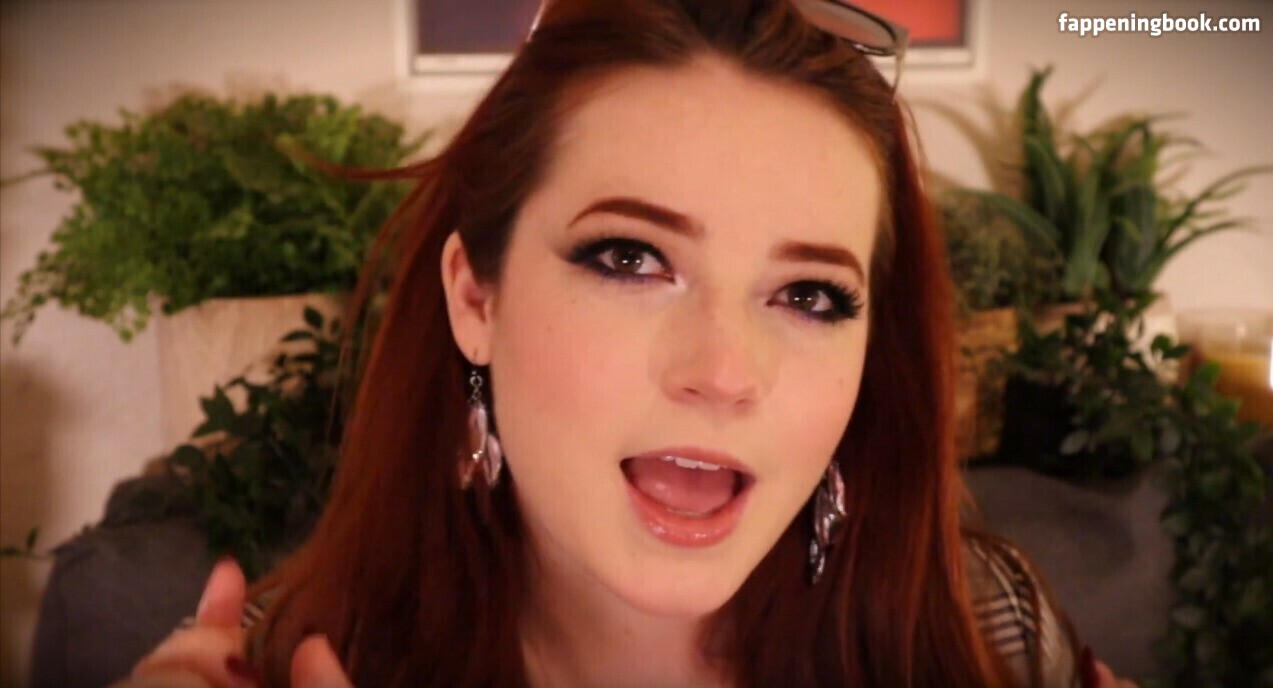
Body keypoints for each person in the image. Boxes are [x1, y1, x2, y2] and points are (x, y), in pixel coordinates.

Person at [116, 1, 1140, 686]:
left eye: (810, 295)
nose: (725, 373)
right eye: (628, 259)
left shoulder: (986, 638)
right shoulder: (294, 666)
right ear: (475, 296)